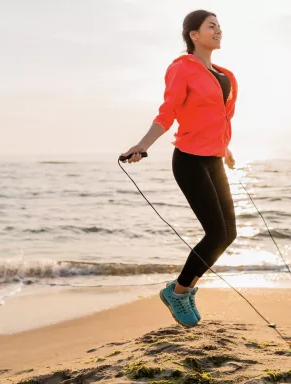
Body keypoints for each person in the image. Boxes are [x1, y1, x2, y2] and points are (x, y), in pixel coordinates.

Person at [120, 9, 238, 327]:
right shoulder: (181, 68)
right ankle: (177, 291)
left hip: (213, 159)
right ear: (193, 35)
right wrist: (143, 145)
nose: (218, 31)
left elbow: (218, 119)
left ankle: (184, 290)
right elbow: (168, 111)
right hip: (188, 160)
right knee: (215, 233)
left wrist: (225, 149)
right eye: (211, 26)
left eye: (219, 26)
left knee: (228, 234)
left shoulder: (227, 75)